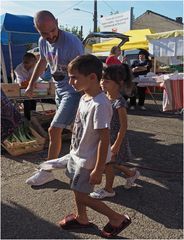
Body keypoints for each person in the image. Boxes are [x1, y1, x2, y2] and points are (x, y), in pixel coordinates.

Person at [56, 54, 131, 238]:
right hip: (78, 155)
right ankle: (82, 218)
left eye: (74, 77)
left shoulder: (100, 104)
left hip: (88, 161)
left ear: (92, 77)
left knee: (82, 195)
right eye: (70, 77)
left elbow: (103, 139)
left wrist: (98, 169)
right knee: (76, 188)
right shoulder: (85, 98)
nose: (70, 81)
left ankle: (117, 218)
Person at [25, 10, 83, 185]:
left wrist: (88, 97)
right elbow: (42, 61)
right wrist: (31, 84)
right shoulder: (42, 41)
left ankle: (47, 171)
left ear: (57, 22)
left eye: (53, 30)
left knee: (54, 129)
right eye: (44, 33)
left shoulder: (72, 43)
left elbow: (83, 71)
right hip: (59, 90)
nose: (50, 35)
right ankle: (84, 160)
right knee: (75, 128)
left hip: (73, 91)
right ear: (37, 30)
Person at [90, 64, 140, 199]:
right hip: (106, 138)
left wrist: (116, 144)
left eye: (107, 81)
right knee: (113, 163)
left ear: (119, 83)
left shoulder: (119, 102)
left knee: (109, 164)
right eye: (101, 79)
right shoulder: (103, 97)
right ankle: (131, 174)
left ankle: (108, 189)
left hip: (115, 139)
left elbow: (124, 126)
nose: (102, 83)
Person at [14, 53, 37, 120]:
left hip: (33, 89)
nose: (25, 64)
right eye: (24, 62)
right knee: (27, 100)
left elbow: (39, 79)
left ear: (33, 62)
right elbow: (21, 83)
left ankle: (33, 117)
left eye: (27, 62)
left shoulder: (36, 67)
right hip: (21, 89)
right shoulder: (18, 69)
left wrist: (31, 82)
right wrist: (31, 82)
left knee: (33, 98)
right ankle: (28, 119)